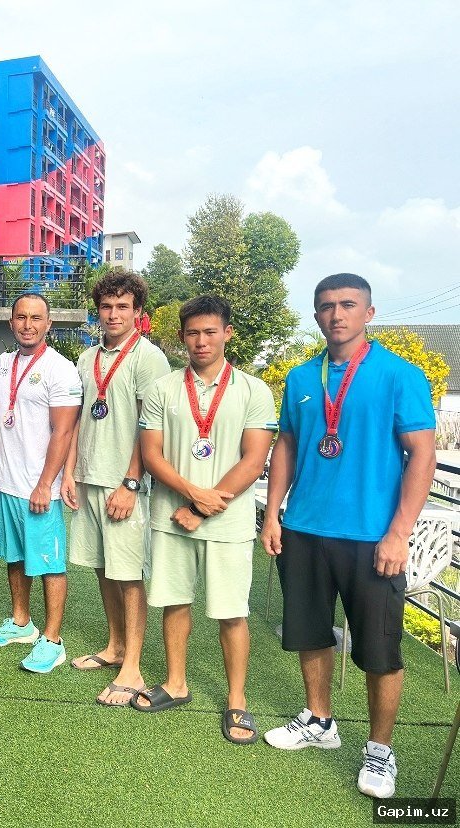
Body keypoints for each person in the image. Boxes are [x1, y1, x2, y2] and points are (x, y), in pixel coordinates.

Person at [261, 274, 436, 798]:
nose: (336, 314)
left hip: (372, 538)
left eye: (347, 305)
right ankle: (320, 721)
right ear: (315, 315)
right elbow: (287, 447)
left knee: (380, 650)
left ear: (369, 312)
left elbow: (422, 456)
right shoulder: (299, 378)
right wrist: (273, 515)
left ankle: (380, 751)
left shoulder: (398, 376)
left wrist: (398, 533)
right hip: (305, 529)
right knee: (311, 633)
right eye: (326, 307)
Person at [132, 295, 273, 747]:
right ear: (182, 337)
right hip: (172, 517)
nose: (201, 341)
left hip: (227, 523)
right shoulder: (163, 389)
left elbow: (254, 460)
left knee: (232, 611)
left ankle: (237, 699)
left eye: (210, 332)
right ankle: (176, 683)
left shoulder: (254, 390)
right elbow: (150, 455)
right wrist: (193, 495)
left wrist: (201, 506)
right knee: (175, 601)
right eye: (192, 333)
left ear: (227, 333)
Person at [61, 272, 169, 705]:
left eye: (122, 307)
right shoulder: (87, 358)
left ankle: (134, 668)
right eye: (106, 306)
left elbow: (150, 427)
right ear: (97, 310)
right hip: (89, 477)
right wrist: (69, 473)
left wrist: (130, 482)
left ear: (137, 312)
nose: (113, 314)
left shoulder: (149, 358)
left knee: (128, 573)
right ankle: (114, 646)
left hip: (124, 484)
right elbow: (78, 419)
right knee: (102, 566)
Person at [0, 293, 82, 673]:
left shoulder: (60, 369)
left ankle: (52, 640)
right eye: (21, 317)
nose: (28, 324)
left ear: (48, 324)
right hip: (5, 484)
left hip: (40, 489)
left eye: (36, 318)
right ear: (11, 322)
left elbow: (63, 431)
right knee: (16, 557)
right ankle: (21, 622)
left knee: (49, 564)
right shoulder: (1, 365)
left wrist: (45, 484)